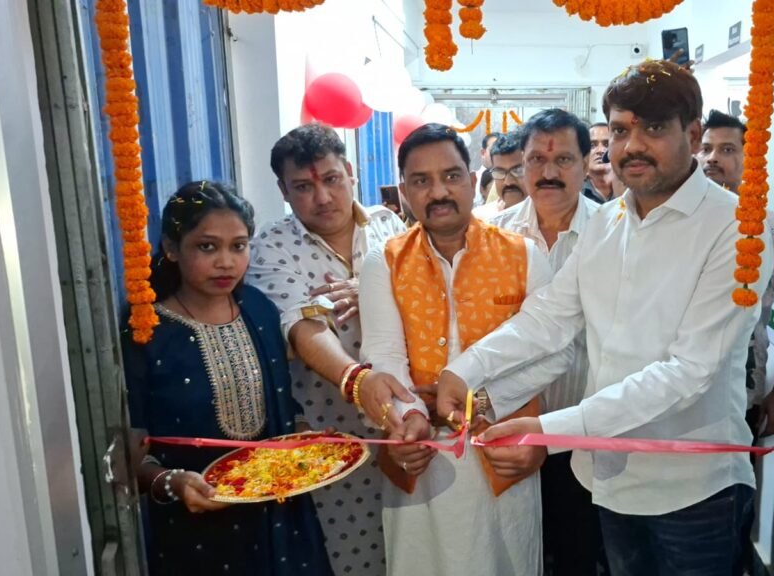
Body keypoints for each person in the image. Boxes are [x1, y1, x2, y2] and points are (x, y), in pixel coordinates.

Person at [436, 58, 773, 576]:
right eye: (619, 131)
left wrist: (550, 429)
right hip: (608, 480)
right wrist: (464, 371)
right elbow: (550, 316)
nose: (632, 145)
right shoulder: (608, 221)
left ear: (692, 134)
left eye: (653, 128)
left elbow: (688, 373)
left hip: (693, 490)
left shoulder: (735, 229)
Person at [359, 123, 571, 576]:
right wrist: (409, 417)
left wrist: (489, 400)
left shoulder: (523, 254)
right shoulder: (384, 262)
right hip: (417, 454)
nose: (439, 192)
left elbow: (557, 352)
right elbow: (384, 355)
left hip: (502, 451)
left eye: (451, 176)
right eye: (421, 181)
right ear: (404, 191)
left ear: (473, 181)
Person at [122, 181, 333, 576]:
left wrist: (305, 440)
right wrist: (172, 482)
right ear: (171, 248)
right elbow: (132, 450)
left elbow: (282, 402)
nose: (226, 262)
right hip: (195, 533)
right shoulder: (146, 332)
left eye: (238, 246)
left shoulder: (259, 309)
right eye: (207, 247)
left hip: (281, 524)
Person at [248, 123, 410, 576]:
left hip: (407, 424)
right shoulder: (271, 247)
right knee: (349, 557)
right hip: (332, 435)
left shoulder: (389, 226)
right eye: (303, 187)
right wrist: (357, 381)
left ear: (351, 172)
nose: (322, 197)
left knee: (414, 549)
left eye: (332, 179)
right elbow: (302, 326)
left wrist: (371, 289)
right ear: (283, 191)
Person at [489, 108, 606, 576]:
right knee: (514, 555)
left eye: (563, 159)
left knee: (578, 555)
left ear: (586, 163)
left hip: (584, 431)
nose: (548, 172)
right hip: (510, 430)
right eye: (537, 159)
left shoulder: (613, 232)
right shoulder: (493, 235)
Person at [698, 109, 774, 438]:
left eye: (727, 149)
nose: (712, 158)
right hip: (678, 391)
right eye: (706, 149)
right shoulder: (681, 225)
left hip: (742, 392)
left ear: (750, 159)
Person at [472, 133, 527, 221]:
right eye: (500, 172)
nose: (508, 182)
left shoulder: (546, 217)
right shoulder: (480, 220)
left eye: (517, 171)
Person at [583, 121, 614, 203]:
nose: (600, 150)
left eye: (607, 145)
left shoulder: (630, 191)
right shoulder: (574, 192)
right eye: (592, 145)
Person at [473, 131, 501, 207]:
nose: (498, 153)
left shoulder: (509, 178)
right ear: (483, 153)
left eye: (501, 150)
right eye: (494, 150)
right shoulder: (470, 180)